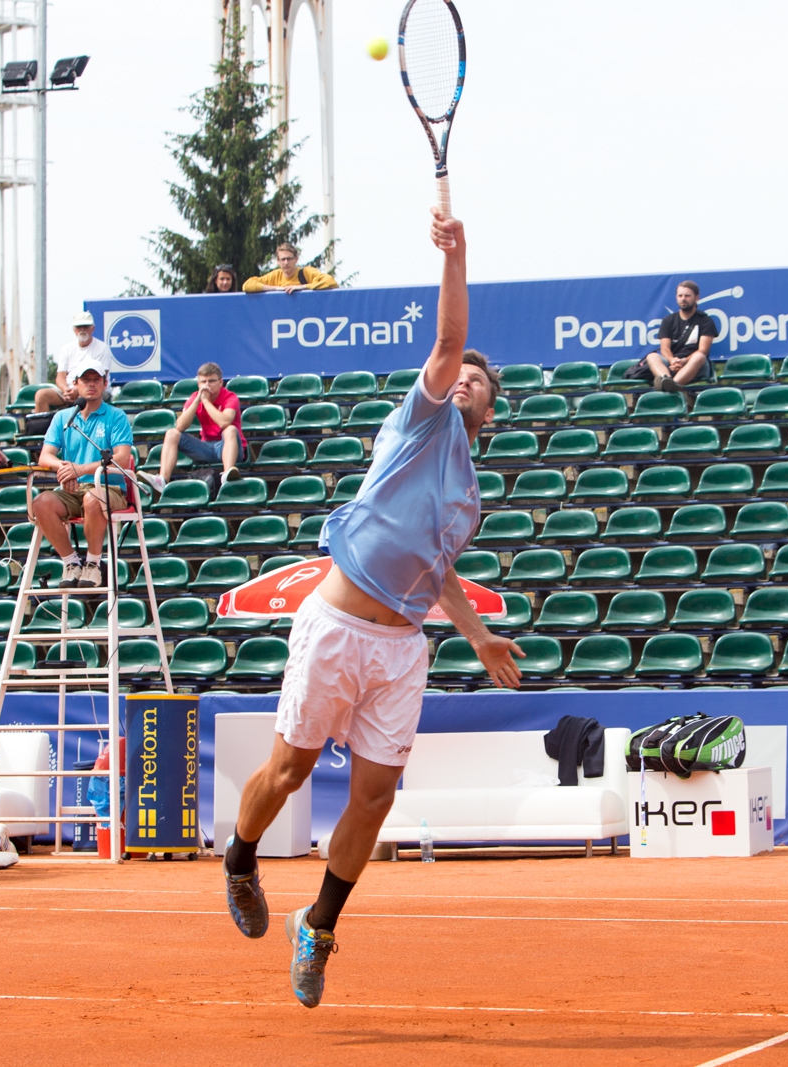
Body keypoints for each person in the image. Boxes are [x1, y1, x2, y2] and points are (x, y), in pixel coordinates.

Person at [223, 206, 524, 1010]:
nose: (465, 379)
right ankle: (240, 858)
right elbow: (449, 338)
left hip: (401, 649)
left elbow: (441, 575)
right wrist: (455, 257)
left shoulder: (468, 498)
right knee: (287, 770)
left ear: (491, 411)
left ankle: (317, 927)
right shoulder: (424, 422)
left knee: (374, 797)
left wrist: (482, 638)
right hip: (337, 624)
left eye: (480, 383)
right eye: (461, 373)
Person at [28, 353, 136, 590]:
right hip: (72, 488)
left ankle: (94, 564)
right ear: (75, 384)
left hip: (108, 488)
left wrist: (81, 470)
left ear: (105, 383)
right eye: (85, 379)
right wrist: (64, 469)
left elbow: (122, 458)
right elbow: (46, 456)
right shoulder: (63, 417)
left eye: (96, 379)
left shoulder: (115, 416)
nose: (91, 384)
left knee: (92, 499)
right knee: (41, 503)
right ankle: (71, 562)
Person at [139, 362, 245, 492]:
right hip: (206, 447)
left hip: (231, 447)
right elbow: (180, 426)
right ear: (198, 384)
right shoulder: (195, 396)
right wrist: (197, 401)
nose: (207, 385)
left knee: (230, 430)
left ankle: (226, 475)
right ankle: (162, 479)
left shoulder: (230, 397)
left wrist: (206, 401)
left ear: (220, 382)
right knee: (172, 433)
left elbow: (224, 422)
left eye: (211, 381)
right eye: (203, 382)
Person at [642, 281, 717, 393]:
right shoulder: (668, 320)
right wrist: (673, 361)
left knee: (699, 356)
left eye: (687, 296)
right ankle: (667, 381)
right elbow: (664, 349)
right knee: (652, 356)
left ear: (696, 298)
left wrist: (684, 361)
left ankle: (671, 386)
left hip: (696, 365)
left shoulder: (706, 321)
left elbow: (703, 350)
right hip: (672, 365)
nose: (683, 299)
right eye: (680, 296)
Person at [34, 312, 114, 414]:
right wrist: (66, 390)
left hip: (93, 389)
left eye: (85, 326)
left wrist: (79, 390)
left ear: (92, 328)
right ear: (74, 329)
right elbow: (60, 377)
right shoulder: (66, 349)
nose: (82, 330)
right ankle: (43, 428)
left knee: (87, 395)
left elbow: (100, 377)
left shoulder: (102, 348)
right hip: (69, 390)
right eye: (79, 327)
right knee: (41, 395)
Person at [242, 243, 338, 293]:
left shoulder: (306, 272)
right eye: (283, 259)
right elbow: (247, 285)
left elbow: (331, 282)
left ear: (296, 259)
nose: (286, 262)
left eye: (289, 259)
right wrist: (274, 289)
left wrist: (302, 287)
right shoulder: (275, 275)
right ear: (278, 261)